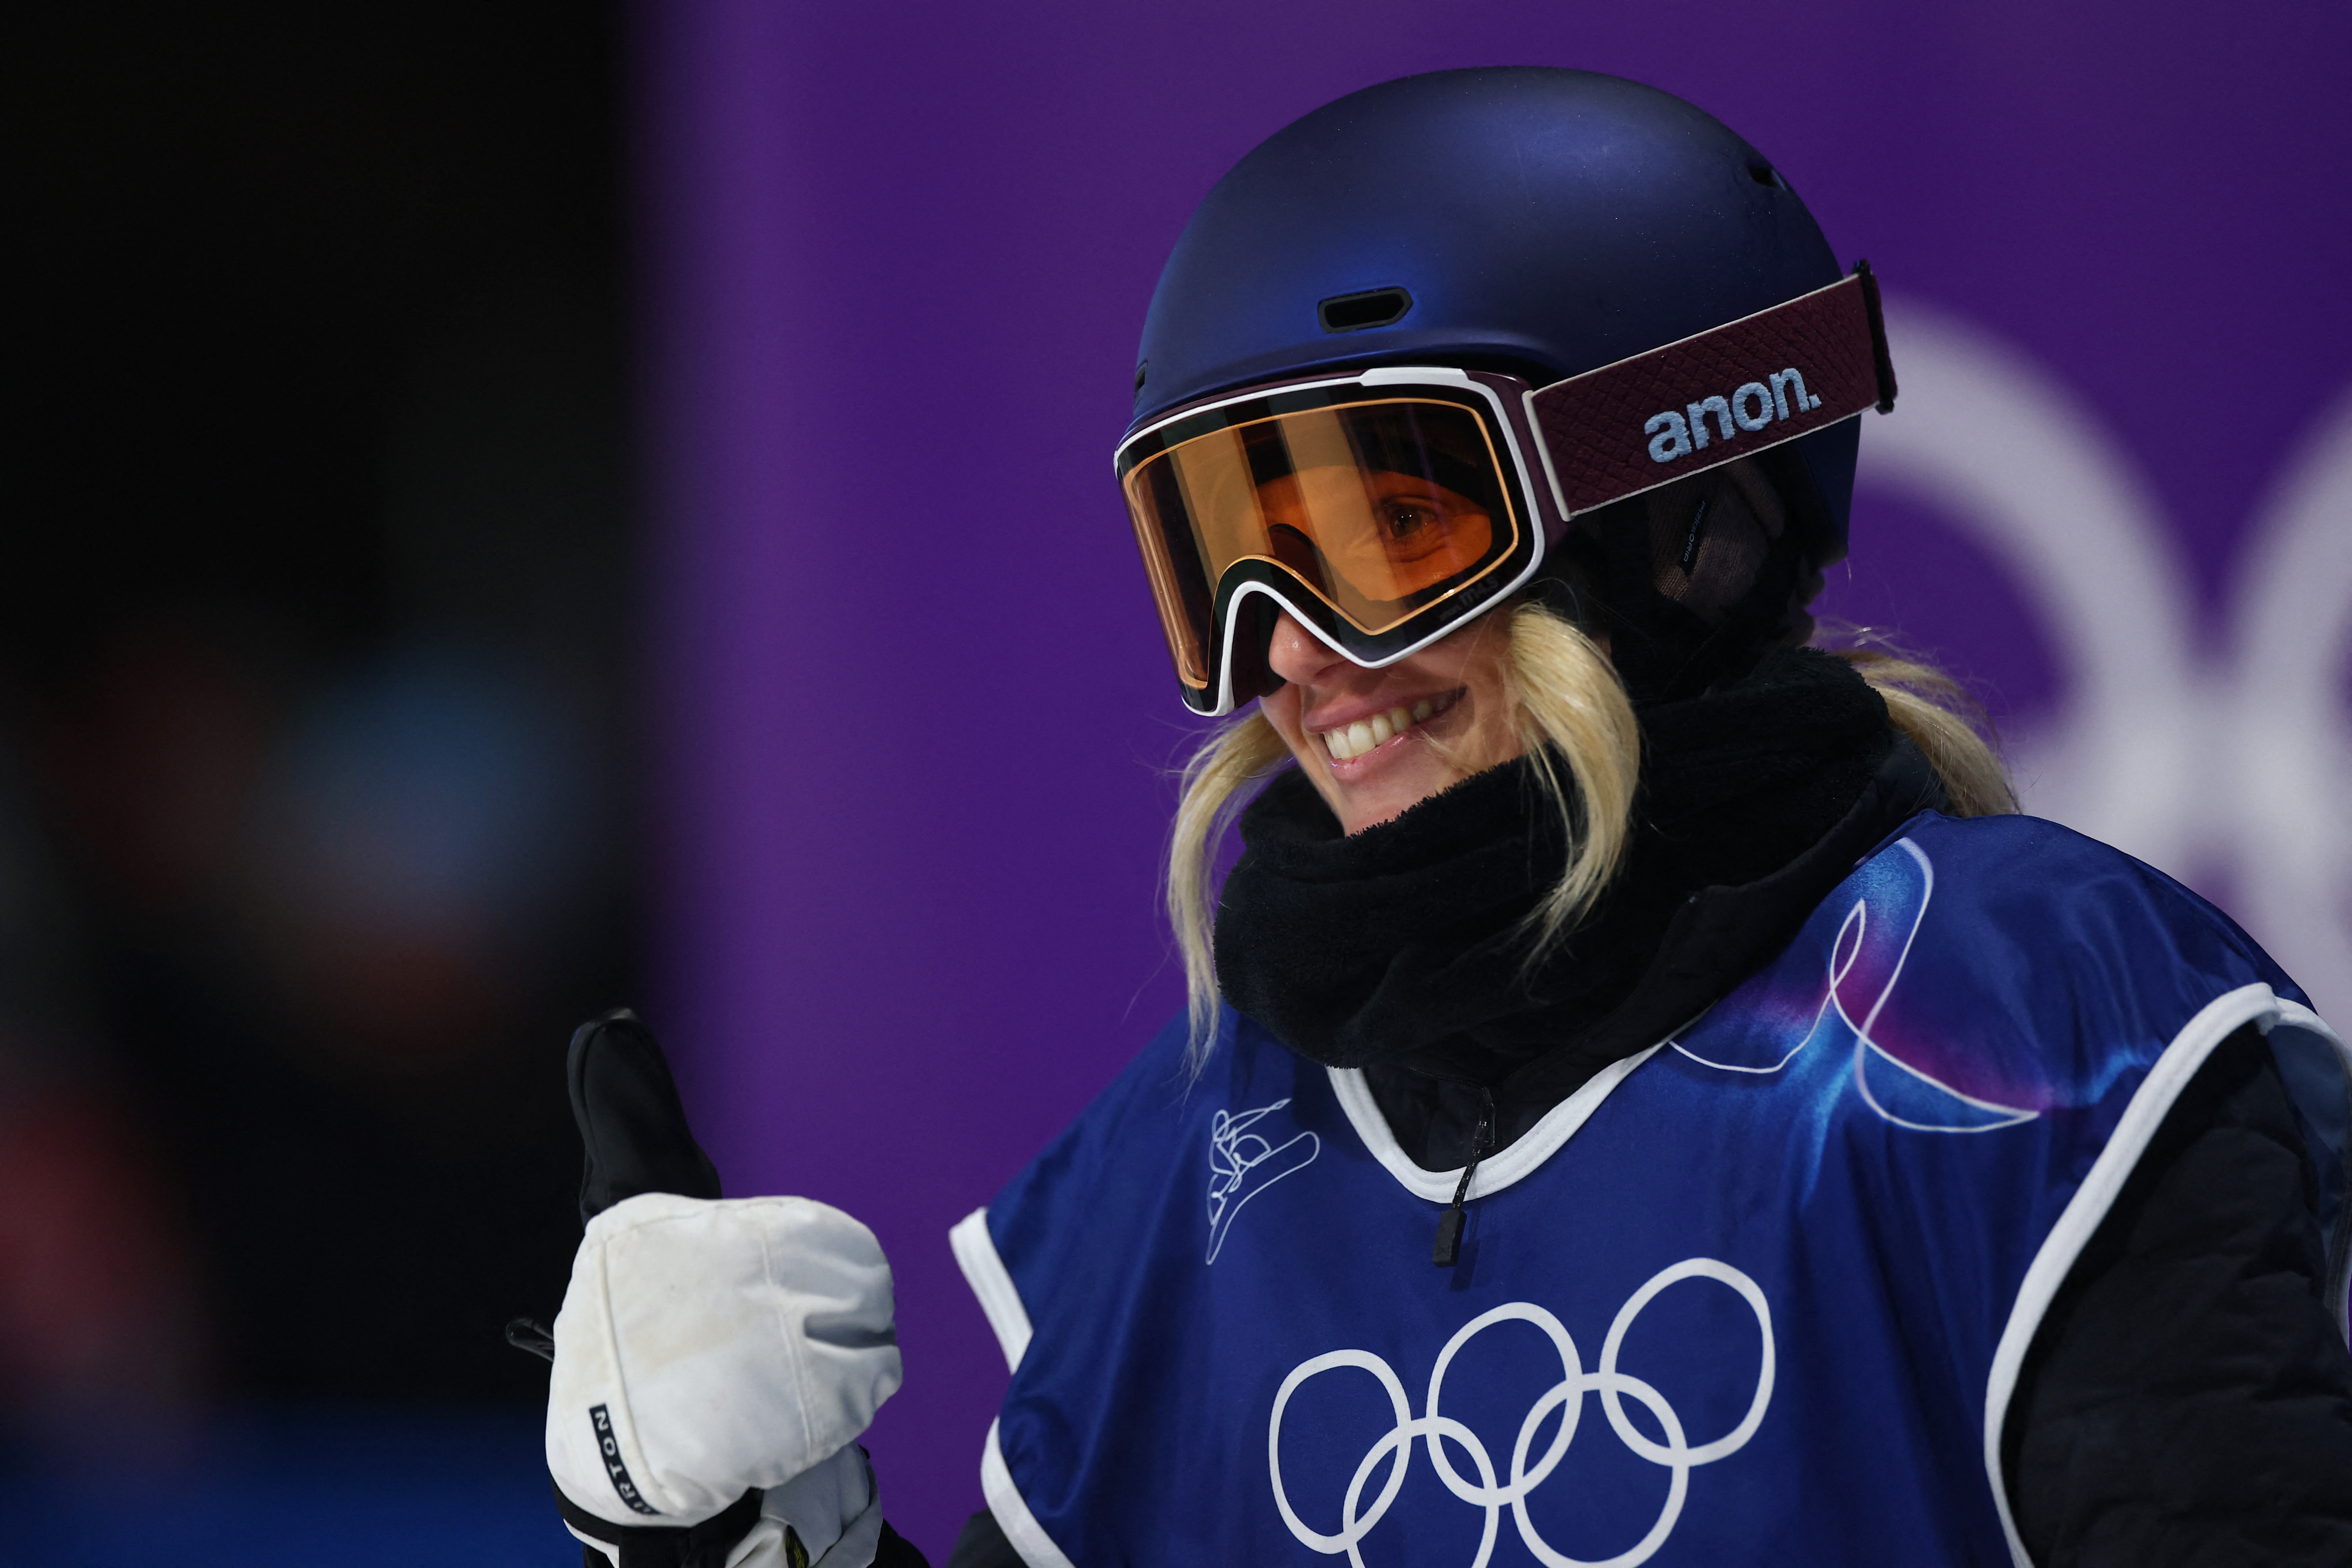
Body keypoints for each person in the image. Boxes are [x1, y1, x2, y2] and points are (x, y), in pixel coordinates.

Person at [529, 68, 2352, 1568]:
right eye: (1226, 553)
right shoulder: (1190, 1164)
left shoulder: (2038, 1041)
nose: (1297, 655)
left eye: (1390, 530)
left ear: (1689, 529)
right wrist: (751, 1535)